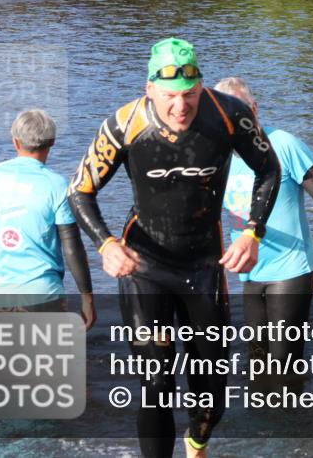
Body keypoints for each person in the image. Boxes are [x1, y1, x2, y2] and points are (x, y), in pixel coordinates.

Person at [67, 38, 280, 458]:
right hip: (144, 267)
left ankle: (196, 443)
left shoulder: (229, 114)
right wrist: (106, 244)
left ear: (202, 88)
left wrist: (253, 232)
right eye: (169, 97)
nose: (180, 107)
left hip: (204, 266)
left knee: (211, 395)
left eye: (190, 95)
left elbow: (269, 169)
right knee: (155, 385)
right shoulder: (124, 123)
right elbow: (79, 191)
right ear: (150, 90)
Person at [214, 78, 313, 385]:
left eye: (240, 110)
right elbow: (212, 219)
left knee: (284, 365)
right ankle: (264, 429)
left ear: (254, 109)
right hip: (250, 273)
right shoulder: (219, 158)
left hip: (291, 269)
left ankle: (296, 429)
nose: (234, 120)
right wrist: (217, 275)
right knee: (256, 362)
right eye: (225, 113)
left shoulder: (283, 144)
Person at [0, 109, 96, 327]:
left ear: (16, 141)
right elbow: (72, 248)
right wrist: (87, 298)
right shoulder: (58, 185)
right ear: (52, 142)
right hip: (45, 295)